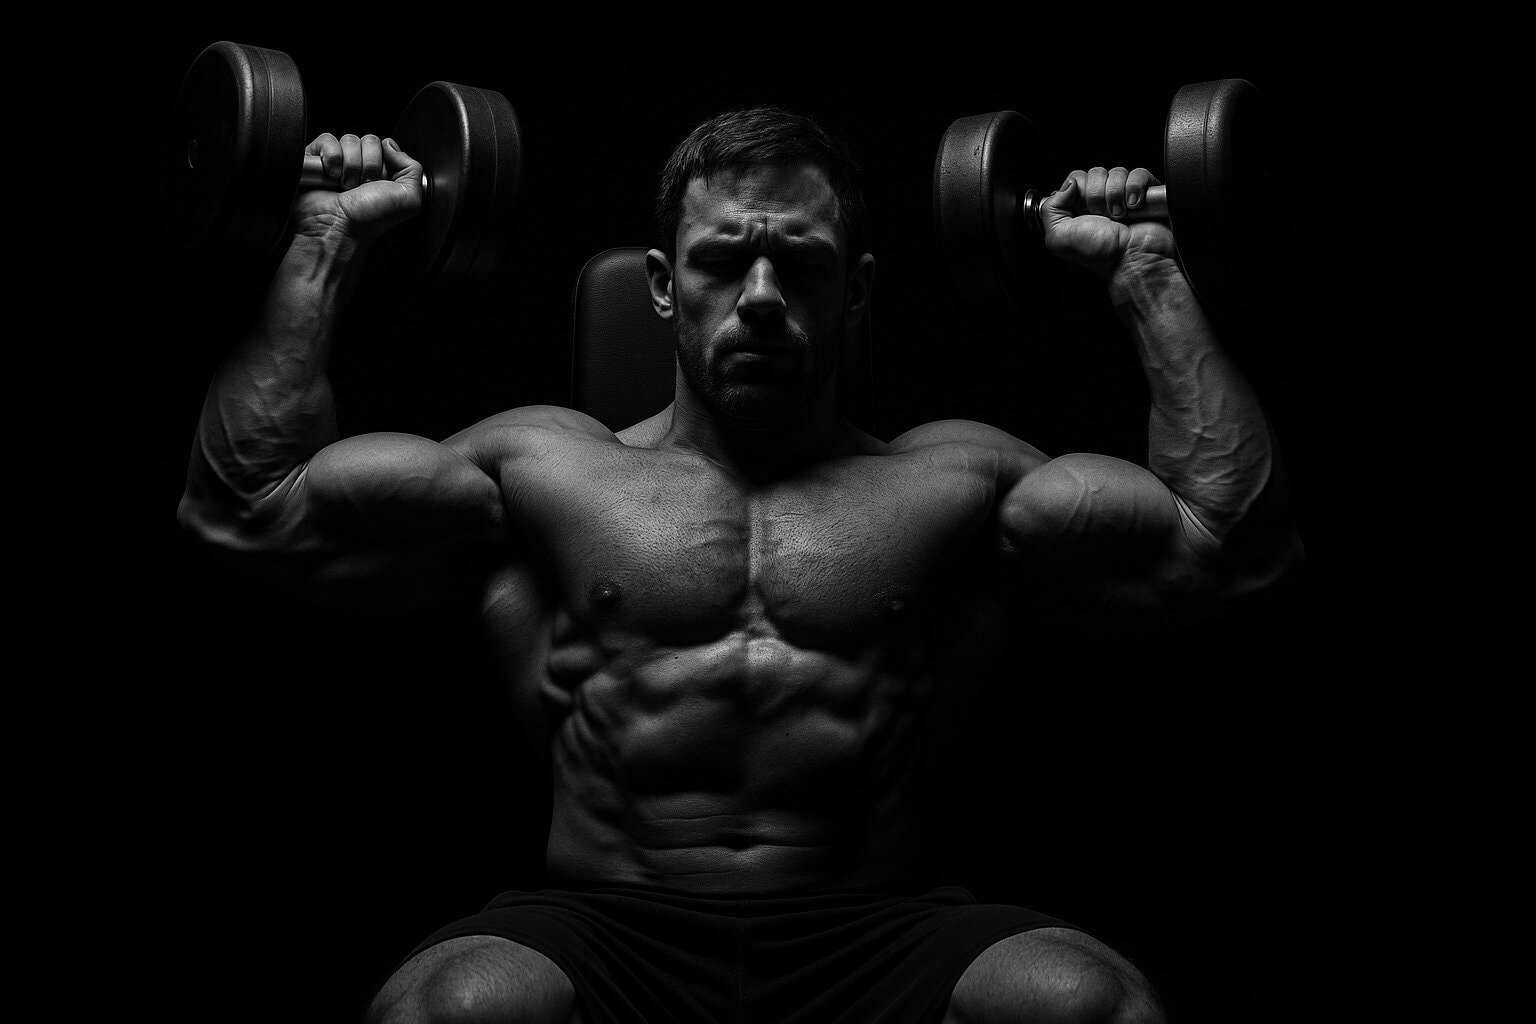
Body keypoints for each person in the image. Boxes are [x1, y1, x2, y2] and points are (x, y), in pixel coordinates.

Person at [178, 104, 1299, 1023]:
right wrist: (327, 236)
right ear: (665, 284)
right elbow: (249, 502)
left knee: (1099, 1007)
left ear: (853, 289)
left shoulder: (956, 481)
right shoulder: (545, 469)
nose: (760, 297)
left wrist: (1146, 271)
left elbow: (1225, 540)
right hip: (609, 922)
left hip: (872, 928)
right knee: (440, 1010)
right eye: (725, 260)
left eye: (797, 263)